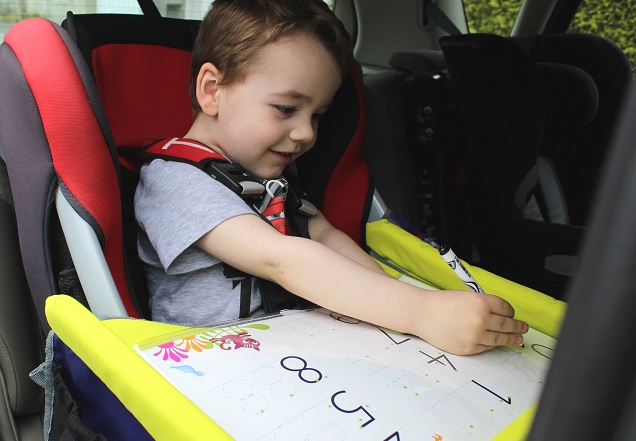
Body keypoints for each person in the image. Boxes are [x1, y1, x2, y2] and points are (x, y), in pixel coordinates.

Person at [134, 0, 528, 355]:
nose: (306, 133)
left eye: (317, 115)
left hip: (298, 349)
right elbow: (281, 259)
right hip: (209, 367)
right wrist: (420, 312)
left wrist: (398, 297)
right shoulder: (175, 182)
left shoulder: (275, 178)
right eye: (287, 108)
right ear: (212, 90)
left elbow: (326, 236)